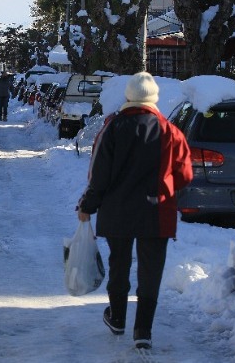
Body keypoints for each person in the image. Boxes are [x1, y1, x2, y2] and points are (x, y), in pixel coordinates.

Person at [76, 72, 192, 350]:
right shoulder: (170, 132)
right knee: (150, 272)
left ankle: (117, 317)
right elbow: (185, 174)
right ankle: (143, 330)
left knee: (120, 265)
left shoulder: (113, 128)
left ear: (129, 96)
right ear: (154, 98)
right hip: (156, 212)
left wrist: (87, 206)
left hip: (118, 212)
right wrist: (165, 188)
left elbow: (98, 175)